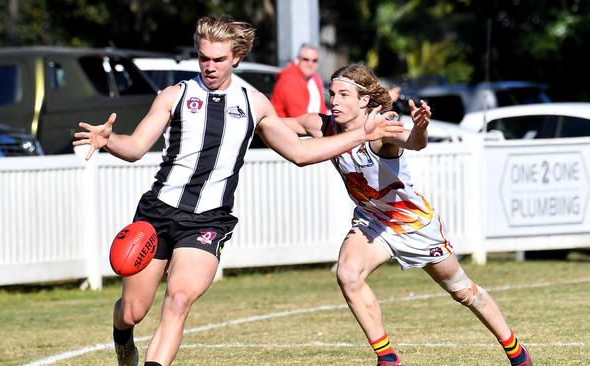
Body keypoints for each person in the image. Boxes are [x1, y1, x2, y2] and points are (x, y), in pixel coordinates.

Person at [73, 17, 404, 366]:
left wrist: (360, 135)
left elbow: (300, 153)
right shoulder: (176, 95)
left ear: (237, 58)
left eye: (218, 59)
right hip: (157, 215)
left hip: (208, 221)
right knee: (132, 312)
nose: (209, 66)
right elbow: (136, 147)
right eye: (203, 58)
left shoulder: (253, 102)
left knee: (179, 299)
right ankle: (123, 339)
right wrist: (109, 141)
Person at [283, 63, 533, 366]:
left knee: (463, 291)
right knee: (348, 274)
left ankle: (516, 351)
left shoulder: (382, 128)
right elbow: (274, 124)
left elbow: (414, 142)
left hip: (412, 224)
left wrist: (421, 127)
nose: (333, 101)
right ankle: (388, 359)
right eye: (331, 94)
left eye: (343, 95)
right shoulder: (321, 125)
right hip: (372, 222)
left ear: (364, 100)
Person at [270, 43, 328, 117]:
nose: (310, 64)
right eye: (306, 59)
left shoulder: (315, 78)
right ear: (298, 59)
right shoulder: (289, 80)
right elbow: (299, 116)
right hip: (288, 127)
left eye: (314, 60)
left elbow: (322, 109)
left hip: (313, 125)